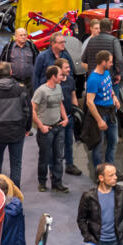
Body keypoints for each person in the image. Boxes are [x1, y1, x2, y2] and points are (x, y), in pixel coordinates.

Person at [0, 61, 30, 187]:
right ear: (11, 72)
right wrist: (27, 128)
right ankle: (15, 194)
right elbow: (27, 110)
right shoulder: (21, 89)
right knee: (16, 164)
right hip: (17, 131)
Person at [32, 64, 69, 193]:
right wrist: (41, 126)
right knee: (45, 157)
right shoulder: (41, 91)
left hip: (58, 127)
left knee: (58, 156)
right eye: (60, 75)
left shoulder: (59, 87)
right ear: (53, 76)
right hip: (46, 130)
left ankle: (57, 182)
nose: (62, 77)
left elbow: (60, 104)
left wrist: (65, 119)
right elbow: (33, 110)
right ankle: (42, 182)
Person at [85, 50, 118, 168]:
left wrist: (114, 97)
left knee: (113, 141)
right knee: (98, 146)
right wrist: (99, 120)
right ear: (103, 62)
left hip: (110, 112)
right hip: (100, 113)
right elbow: (89, 102)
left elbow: (109, 86)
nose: (112, 64)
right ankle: (100, 174)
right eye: (110, 62)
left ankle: (110, 168)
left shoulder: (106, 72)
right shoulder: (93, 79)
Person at [0, 28, 38, 94]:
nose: (23, 37)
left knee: (29, 100)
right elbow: (2, 61)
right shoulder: (9, 47)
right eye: (21, 35)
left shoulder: (32, 46)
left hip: (29, 82)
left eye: (25, 35)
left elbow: (37, 60)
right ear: (15, 37)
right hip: (13, 81)